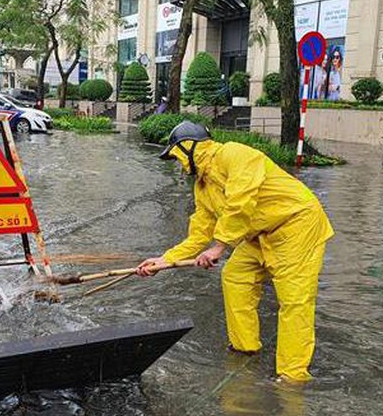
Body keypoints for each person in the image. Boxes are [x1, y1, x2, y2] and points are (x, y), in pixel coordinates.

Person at [136, 121, 334, 383]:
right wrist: (164, 261)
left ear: (188, 147)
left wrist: (219, 246)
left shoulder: (235, 154)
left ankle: (292, 376)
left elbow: (241, 202)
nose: (178, 165)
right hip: (258, 236)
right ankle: (245, 347)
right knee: (235, 276)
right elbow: (199, 233)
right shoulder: (203, 187)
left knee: (295, 301)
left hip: (297, 226)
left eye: (176, 156)